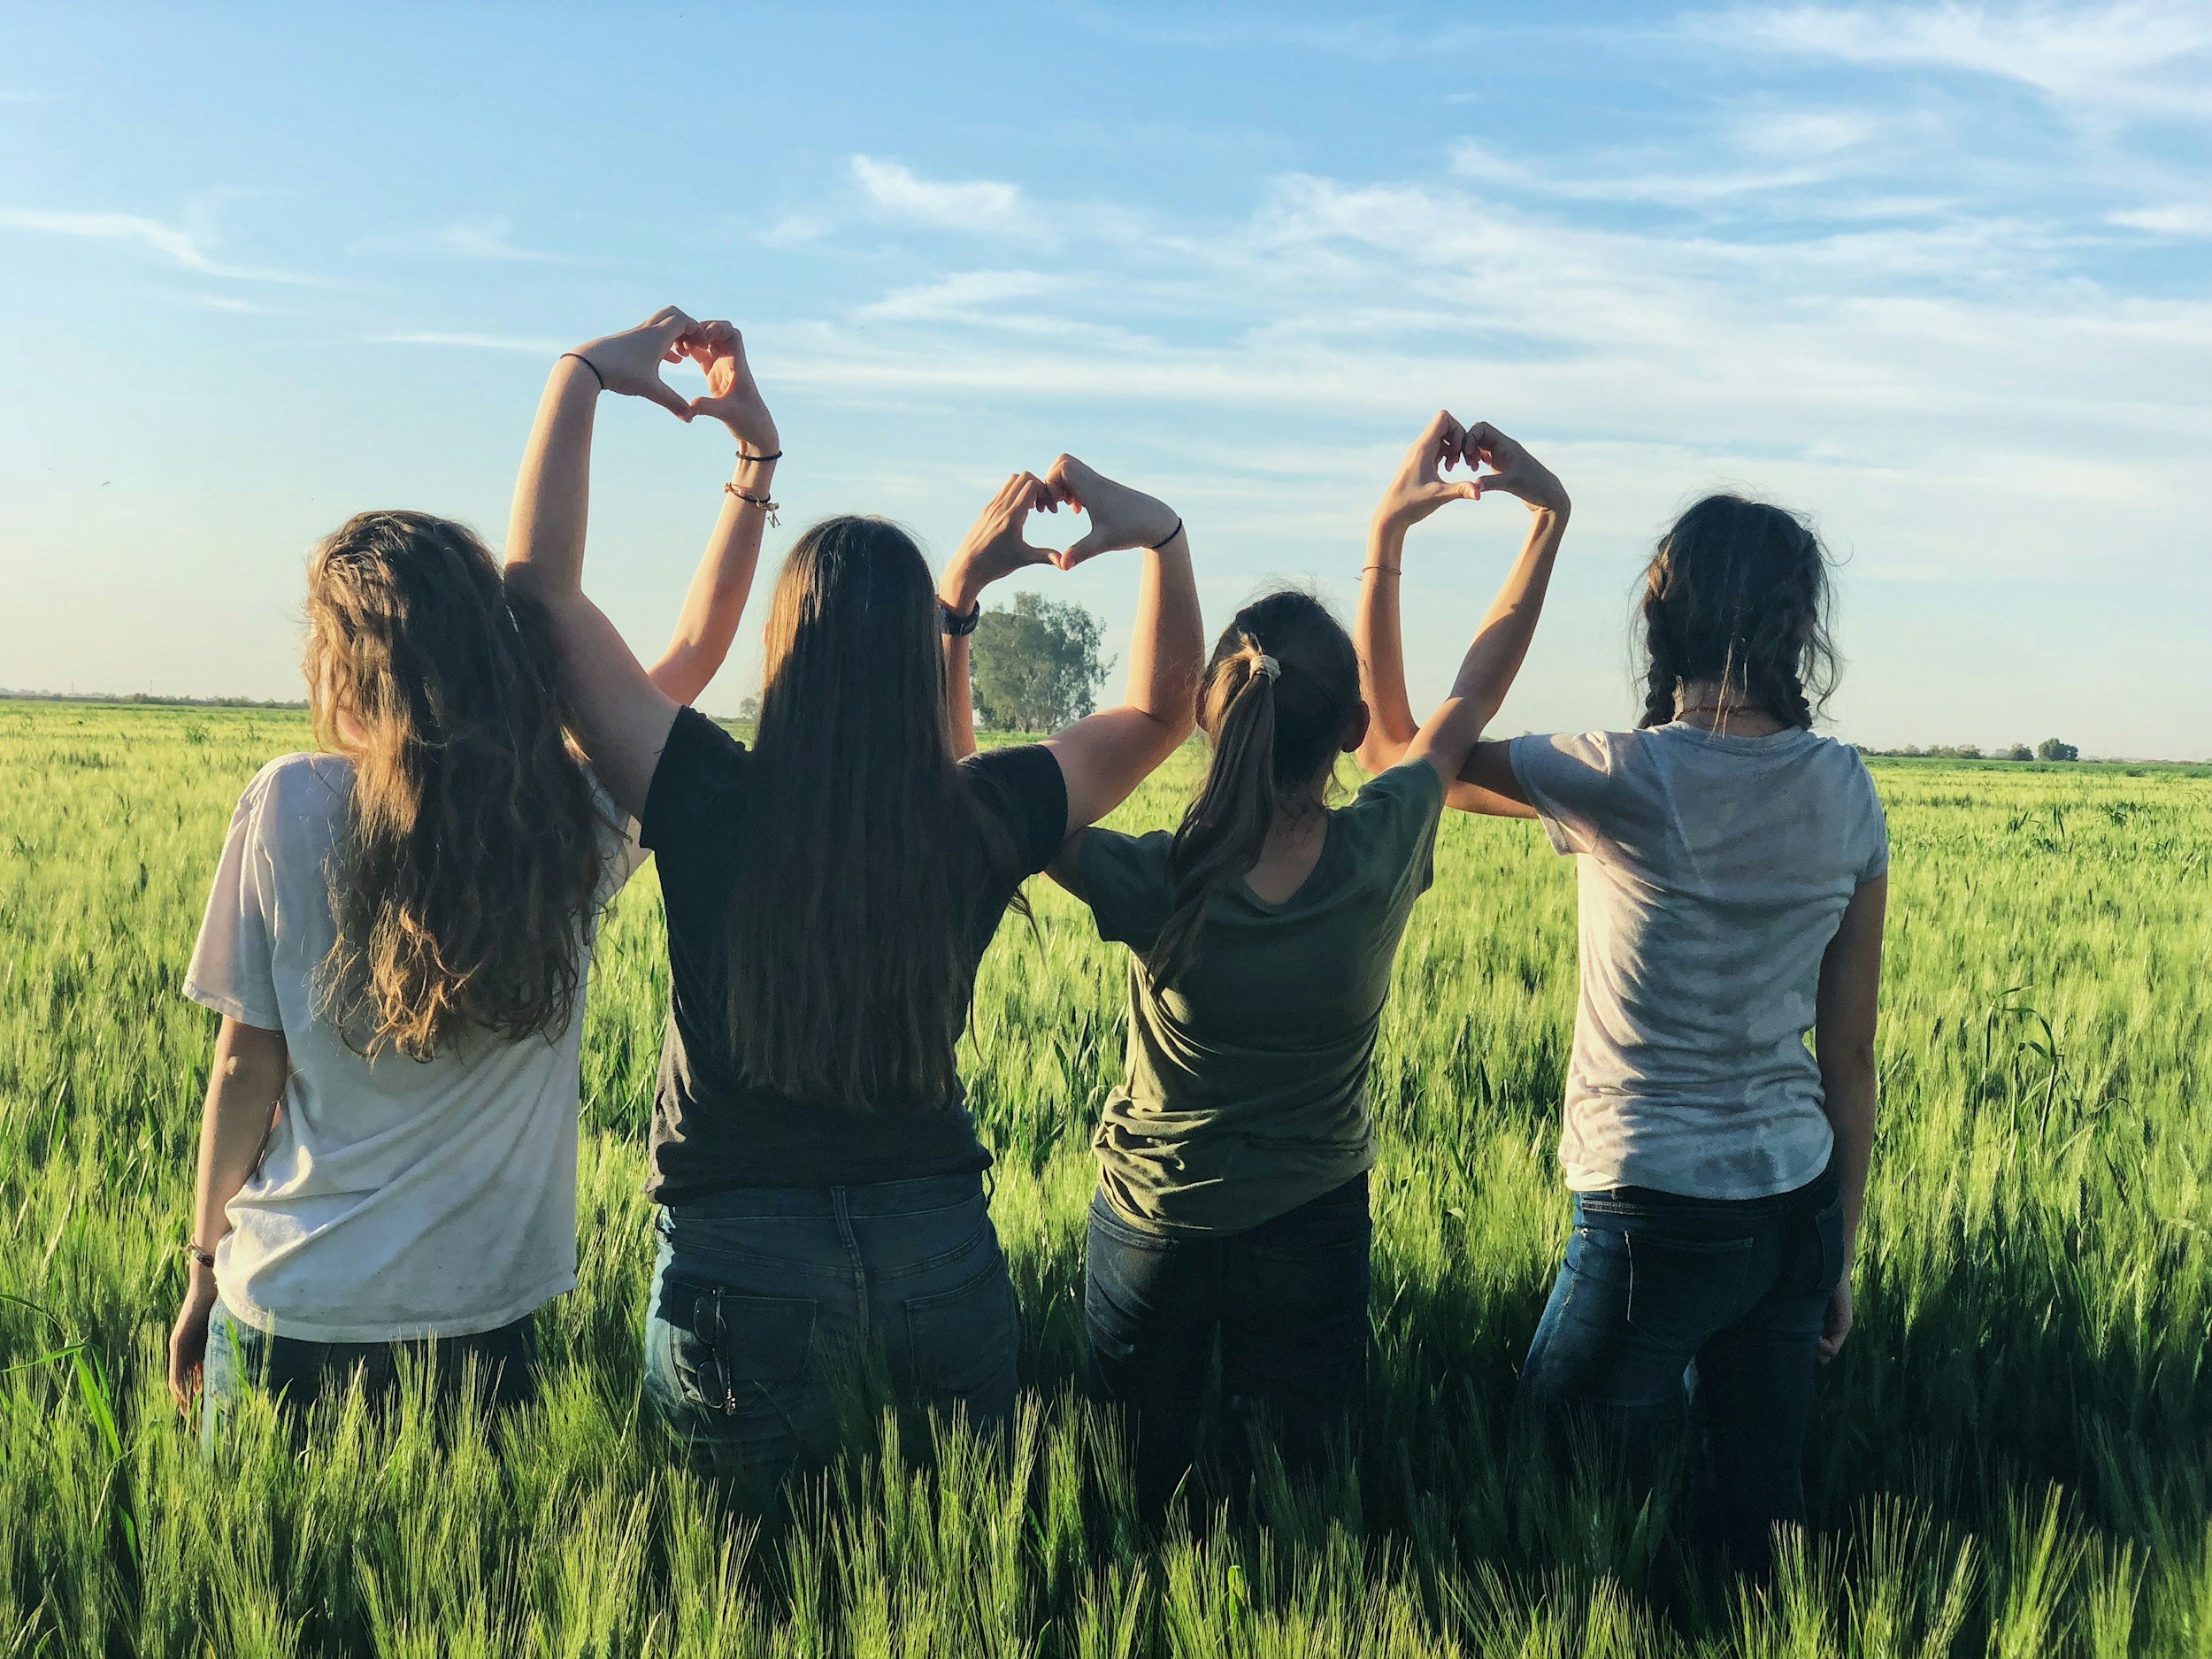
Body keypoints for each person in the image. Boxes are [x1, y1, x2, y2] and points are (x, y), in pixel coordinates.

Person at [501, 308, 1204, 1486]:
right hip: (940, 1251)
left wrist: (580, 376)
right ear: (910, 661)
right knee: (951, 1586)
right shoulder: (979, 815)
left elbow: (539, 599)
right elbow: (1161, 709)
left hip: (738, 1264)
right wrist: (1163, 539)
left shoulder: (706, 792)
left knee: (750, 1595)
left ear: (785, 651)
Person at [166, 319, 774, 1434]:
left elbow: (243, 1065)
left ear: (341, 663)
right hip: (486, 1327)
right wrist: (751, 467)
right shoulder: (567, 820)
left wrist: (205, 1262)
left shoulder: (288, 804)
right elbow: (694, 650)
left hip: (292, 1305)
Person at [1356, 457, 1888, 1568]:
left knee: (1544, 1509)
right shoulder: (1846, 787)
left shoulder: (1619, 774)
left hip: (1648, 1209)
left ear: (1663, 613)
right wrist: (1836, 1245)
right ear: (1798, 626)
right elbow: (1847, 1049)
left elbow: (1396, 753)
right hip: (1793, 1202)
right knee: (1754, 1534)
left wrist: (1388, 540)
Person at [1040, 411, 1570, 1511]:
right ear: (1349, 728)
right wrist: (1532, 524)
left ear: (1209, 719)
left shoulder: (1161, 877)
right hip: (1313, 1223)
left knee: (1130, 1501)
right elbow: (1472, 689)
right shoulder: (1382, 844)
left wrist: (958, 611)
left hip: (1153, 1222)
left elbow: (990, 807)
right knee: (1301, 1501)